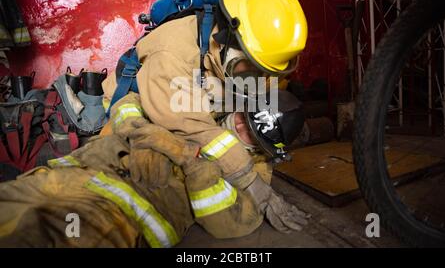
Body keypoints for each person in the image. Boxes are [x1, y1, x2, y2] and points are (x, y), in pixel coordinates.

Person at [102, 0, 309, 235]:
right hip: (147, 103)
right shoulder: (173, 53)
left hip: (189, 99)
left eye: (261, 72)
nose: (255, 80)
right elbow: (192, 127)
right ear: (227, 41)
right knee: (158, 165)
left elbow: (244, 99)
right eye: (249, 69)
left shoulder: (240, 57)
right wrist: (251, 182)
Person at [0, 91, 308, 247]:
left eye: (248, 132)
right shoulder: (200, 107)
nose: (237, 124)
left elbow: (227, 222)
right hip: (69, 174)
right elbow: (129, 100)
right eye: (243, 115)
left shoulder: (253, 177)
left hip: (114, 212)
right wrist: (141, 132)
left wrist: (186, 158)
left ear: (260, 148)